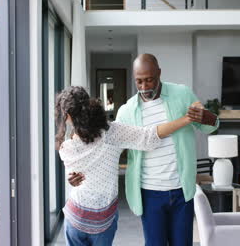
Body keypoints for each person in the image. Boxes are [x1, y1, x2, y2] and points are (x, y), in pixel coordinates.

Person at [69, 54, 219, 246]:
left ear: (159, 73)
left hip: (182, 189)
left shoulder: (182, 95)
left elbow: (211, 127)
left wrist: (208, 118)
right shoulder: (127, 111)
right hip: (149, 193)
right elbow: (106, 146)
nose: (145, 87)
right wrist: (80, 171)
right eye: (139, 81)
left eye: (149, 80)